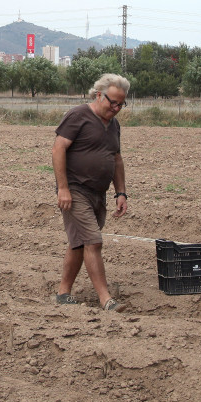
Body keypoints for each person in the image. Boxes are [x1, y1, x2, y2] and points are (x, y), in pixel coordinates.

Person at [51, 73, 130, 310]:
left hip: (99, 193)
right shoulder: (78, 115)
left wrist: (121, 193)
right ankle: (106, 299)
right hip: (76, 190)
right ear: (99, 95)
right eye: (112, 102)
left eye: (121, 104)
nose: (116, 108)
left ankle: (63, 293)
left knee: (79, 243)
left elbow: (116, 159)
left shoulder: (113, 125)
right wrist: (63, 189)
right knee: (93, 241)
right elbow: (57, 149)